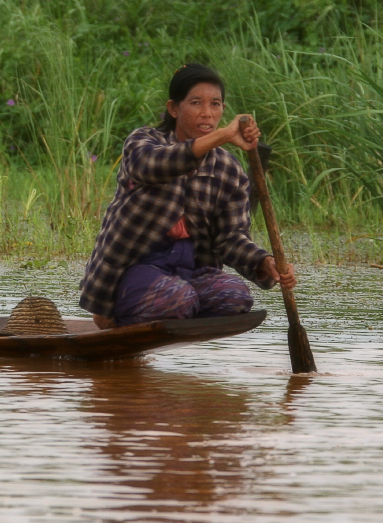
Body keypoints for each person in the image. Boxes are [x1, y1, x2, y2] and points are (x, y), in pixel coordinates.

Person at [79, 63, 297, 328]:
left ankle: (174, 306)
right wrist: (222, 136)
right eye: (196, 103)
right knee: (177, 300)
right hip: (135, 265)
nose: (207, 113)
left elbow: (231, 238)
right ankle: (113, 315)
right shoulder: (144, 142)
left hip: (188, 272)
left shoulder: (228, 170)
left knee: (235, 297)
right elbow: (152, 165)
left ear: (222, 110)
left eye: (215, 104)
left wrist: (265, 263)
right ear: (174, 108)